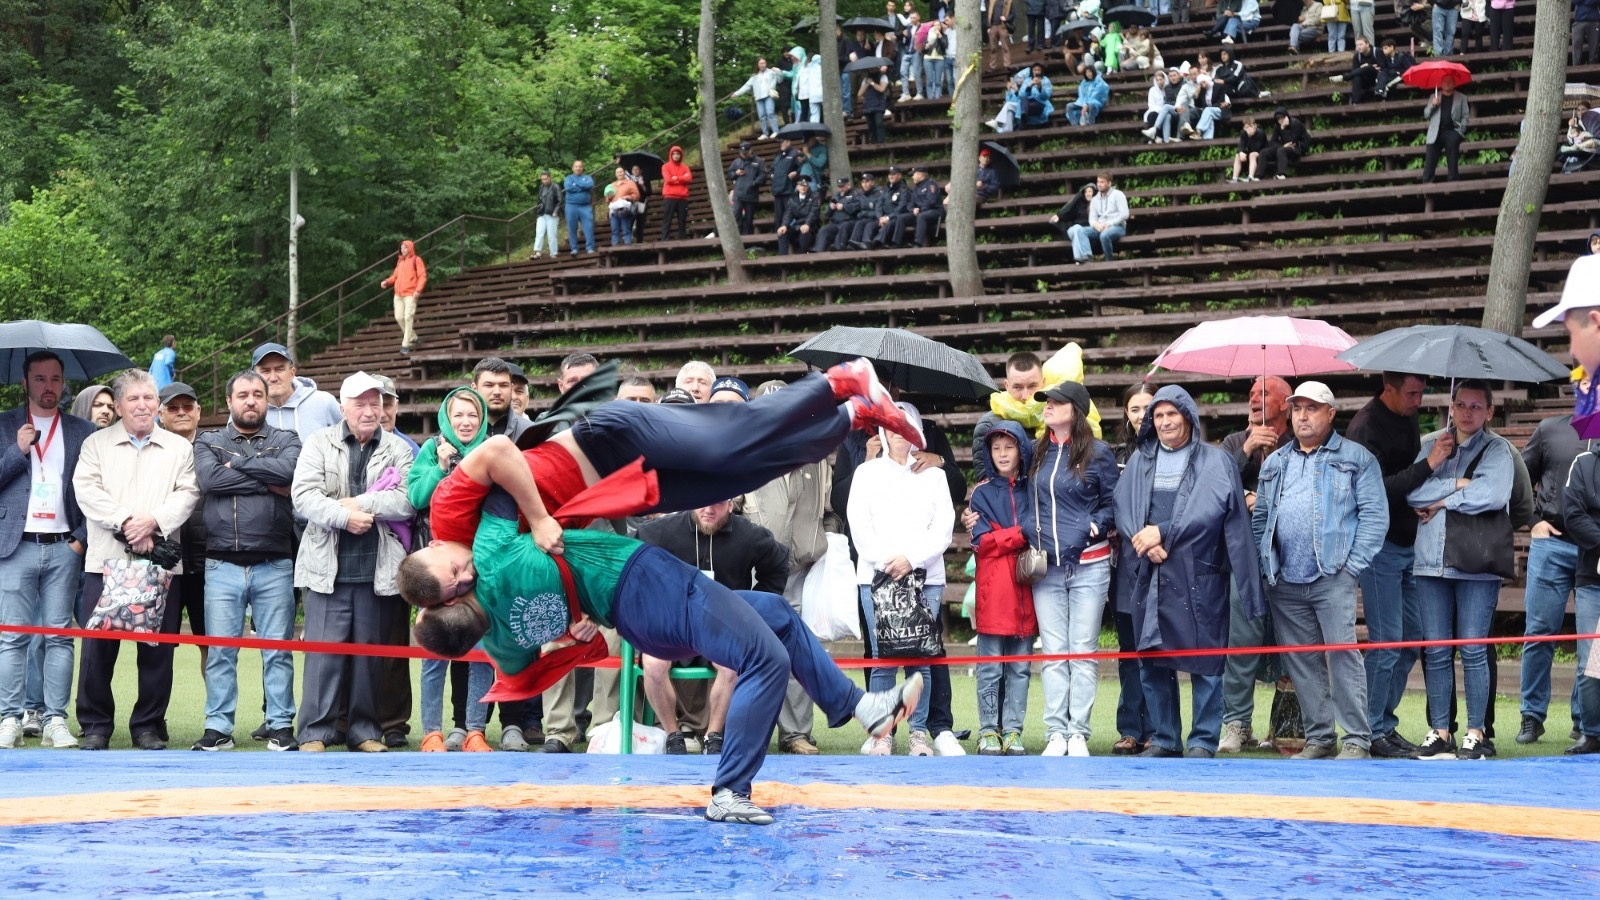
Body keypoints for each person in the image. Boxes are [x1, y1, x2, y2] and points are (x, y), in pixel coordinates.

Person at [405, 435, 922, 825]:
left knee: (777, 615)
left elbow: (529, 663)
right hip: (647, 587)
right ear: (450, 601)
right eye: (453, 577)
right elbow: (500, 470)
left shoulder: (501, 643)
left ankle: (861, 708)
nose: (461, 568)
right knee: (765, 659)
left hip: (642, 616)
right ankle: (730, 791)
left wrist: (568, 632)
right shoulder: (493, 564)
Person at [1114, 385, 1264, 759]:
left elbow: (1210, 509)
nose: (1164, 422)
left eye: (1171, 414)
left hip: (1199, 573)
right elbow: (1124, 507)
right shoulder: (1140, 460)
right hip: (1152, 571)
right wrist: (1145, 541)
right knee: (1151, 659)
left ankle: (1202, 739)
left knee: (1206, 661)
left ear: (1188, 417)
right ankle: (1165, 738)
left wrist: (1162, 532)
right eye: (1158, 416)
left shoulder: (1215, 461)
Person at [1251, 382, 1386, 760]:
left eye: (1313, 408)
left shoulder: (1357, 458)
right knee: (1301, 659)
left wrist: (1351, 567)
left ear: (1331, 414)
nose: (1303, 416)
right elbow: (1261, 518)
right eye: (1297, 409)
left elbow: (1375, 517)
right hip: (1285, 579)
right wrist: (1266, 565)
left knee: (1342, 654)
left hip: (1333, 575)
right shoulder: (1275, 461)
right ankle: (1320, 738)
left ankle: (1357, 738)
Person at [72, 369, 201, 750]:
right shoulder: (96, 444)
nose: (143, 405)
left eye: (149, 398)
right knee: (98, 648)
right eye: (134, 398)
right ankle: (95, 724)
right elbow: (87, 490)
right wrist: (127, 521)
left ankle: (147, 724)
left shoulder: (179, 447)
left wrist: (154, 522)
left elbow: (188, 493)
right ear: (118, 404)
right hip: (106, 561)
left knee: (158, 649)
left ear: (157, 405)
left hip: (159, 563)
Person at [292, 373, 416, 753]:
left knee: (369, 653)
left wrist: (361, 505)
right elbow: (303, 496)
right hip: (326, 565)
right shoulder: (318, 442)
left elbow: (408, 499)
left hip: (378, 566)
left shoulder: (399, 448)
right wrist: (343, 516)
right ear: (342, 407)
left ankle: (364, 731)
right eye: (359, 404)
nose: (368, 411)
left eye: (374, 403)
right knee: (323, 655)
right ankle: (315, 731)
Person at [190, 370, 302, 752]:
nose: (251, 400)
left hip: (275, 562)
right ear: (229, 401)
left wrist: (235, 466)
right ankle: (218, 727)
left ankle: (280, 724)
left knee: (278, 650)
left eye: (258, 394)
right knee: (221, 651)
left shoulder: (287, 439)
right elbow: (209, 481)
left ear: (267, 400)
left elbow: (288, 472)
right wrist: (263, 479)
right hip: (222, 563)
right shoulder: (209, 440)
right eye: (243, 394)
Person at [1345, 371, 1452, 759]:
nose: (1418, 401)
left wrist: (1419, 496)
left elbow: (1401, 484)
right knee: (1387, 641)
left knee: (1410, 639)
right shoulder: (1365, 427)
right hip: (1379, 547)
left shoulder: (1405, 417)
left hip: (1407, 540)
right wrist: (1431, 464)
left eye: (1422, 393)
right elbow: (1375, 489)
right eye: (1412, 393)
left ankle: (1383, 723)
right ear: (1388, 389)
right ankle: (1370, 730)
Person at [1407, 380, 1514, 760]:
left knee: (1472, 648)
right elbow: (1412, 492)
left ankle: (1476, 732)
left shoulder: (1498, 450)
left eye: (1476, 406)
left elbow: (1493, 494)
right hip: (1429, 561)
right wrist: (1453, 483)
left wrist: (1440, 501)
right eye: (1461, 404)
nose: (1467, 412)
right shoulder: (1431, 444)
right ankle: (1440, 731)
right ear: (1450, 406)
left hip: (1475, 563)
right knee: (1436, 650)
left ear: (1489, 411)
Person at [637, 498, 789, 755]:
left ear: (731, 505)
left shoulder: (749, 535)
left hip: (721, 627)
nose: (708, 509)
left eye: (718, 504)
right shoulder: (659, 532)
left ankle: (714, 736)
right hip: (673, 627)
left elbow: (778, 563)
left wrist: (753, 608)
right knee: (653, 665)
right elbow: (631, 566)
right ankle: (673, 735)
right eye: (702, 502)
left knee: (732, 667)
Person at [848, 403, 955, 757]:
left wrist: (912, 559)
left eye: (906, 426)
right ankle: (882, 732)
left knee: (919, 656)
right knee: (883, 657)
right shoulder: (866, 473)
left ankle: (919, 733)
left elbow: (942, 527)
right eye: (892, 426)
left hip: (926, 576)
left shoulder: (934, 475)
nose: (898, 433)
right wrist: (885, 561)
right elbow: (858, 524)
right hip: (876, 577)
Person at [0, 351, 93, 751]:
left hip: (63, 546)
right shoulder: (4, 425)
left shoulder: (82, 430)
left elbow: (98, 491)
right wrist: (16, 451)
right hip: (15, 544)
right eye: (40, 379)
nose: (48, 386)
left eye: (55, 379)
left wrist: (81, 538)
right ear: (25, 382)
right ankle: (10, 717)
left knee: (59, 637)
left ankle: (56, 719)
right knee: (12, 638)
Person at [1026, 382, 1117, 757]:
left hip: (1090, 566)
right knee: (1053, 652)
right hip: (1046, 568)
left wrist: (1092, 527)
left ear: (1075, 410)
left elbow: (1114, 504)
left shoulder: (1100, 453)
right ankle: (1055, 732)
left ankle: (1077, 731)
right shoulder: (1037, 451)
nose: (1047, 406)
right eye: (1046, 402)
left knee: (1081, 651)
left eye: (1056, 402)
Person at [741, 380, 832, 755]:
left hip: (802, 570)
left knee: (798, 651)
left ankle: (795, 733)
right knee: (752, 651)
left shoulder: (817, 456)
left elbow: (829, 512)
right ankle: (750, 731)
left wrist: (825, 539)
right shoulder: (745, 454)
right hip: (753, 570)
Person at [1216, 375, 1293, 753]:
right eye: (1251, 394)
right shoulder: (1234, 441)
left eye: (1264, 394)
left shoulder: (1299, 440)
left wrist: (1258, 500)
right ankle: (1236, 725)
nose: (1255, 400)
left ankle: (1286, 730)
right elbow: (1215, 483)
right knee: (1242, 642)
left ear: (1285, 403)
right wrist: (1248, 447)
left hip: (1294, 558)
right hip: (1244, 558)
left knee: (1293, 645)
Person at [965, 422, 1036, 756]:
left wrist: (1004, 535)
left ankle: (1013, 730)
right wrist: (1017, 535)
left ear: (1021, 449)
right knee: (991, 665)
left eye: (1009, 447)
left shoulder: (1033, 490)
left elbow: (1038, 531)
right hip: (994, 591)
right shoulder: (981, 493)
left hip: (1026, 591)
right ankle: (988, 729)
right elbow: (981, 541)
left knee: (1020, 666)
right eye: (996, 448)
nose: (1003, 454)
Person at [1516, 405, 1585, 746]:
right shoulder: (1549, 429)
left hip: (1596, 549)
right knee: (1539, 632)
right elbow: (1519, 478)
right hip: (1552, 543)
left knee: (1594, 640)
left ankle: (1585, 719)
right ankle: (1531, 716)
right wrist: (1532, 521)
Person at [1110, 383, 1156, 755]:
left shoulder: (1174, 454)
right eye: (1135, 408)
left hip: (1161, 563)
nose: (1142, 415)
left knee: (1156, 649)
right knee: (1129, 650)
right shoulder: (1115, 457)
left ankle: (1158, 728)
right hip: (1125, 566)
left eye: (1148, 407)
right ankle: (1130, 728)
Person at [252, 342, 343, 442]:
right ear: (255, 378)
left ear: (292, 373)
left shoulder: (324, 403)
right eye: (265, 371)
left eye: (279, 369)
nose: (273, 378)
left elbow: (353, 439)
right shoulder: (247, 411)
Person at [381, 240, 427, 354]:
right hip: (398, 294)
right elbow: (395, 276)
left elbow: (422, 276)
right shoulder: (400, 262)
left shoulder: (416, 260)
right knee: (399, 317)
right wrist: (387, 282)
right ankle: (413, 337)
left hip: (410, 294)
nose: (403, 250)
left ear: (410, 248)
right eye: (401, 248)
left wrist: (418, 290)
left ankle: (405, 344)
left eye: (405, 248)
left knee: (408, 317)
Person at [1421, 76, 1469, 183]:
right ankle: (1427, 182)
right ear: (1441, 84)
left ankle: (1453, 180)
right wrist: (1433, 105)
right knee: (1430, 158)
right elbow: (1426, 115)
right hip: (1436, 132)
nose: (1447, 84)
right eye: (1445, 82)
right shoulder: (1434, 96)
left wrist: (1461, 130)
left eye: (1450, 81)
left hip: (1452, 130)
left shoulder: (1462, 97)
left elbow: (1465, 117)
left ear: (1454, 83)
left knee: (1452, 149)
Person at [1071, 171, 1127, 263]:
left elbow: (1124, 214)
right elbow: (1092, 218)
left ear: (1109, 183)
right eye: (1098, 182)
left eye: (1102, 182)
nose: (1099, 185)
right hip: (1100, 227)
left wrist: (1110, 224)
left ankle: (1109, 261)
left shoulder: (1118, 195)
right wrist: (1095, 224)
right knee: (1080, 230)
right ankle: (1087, 255)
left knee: (1104, 235)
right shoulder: (1095, 199)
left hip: (1117, 227)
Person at [732, 58, 783, 139]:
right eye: (761, 63)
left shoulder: (771, 72)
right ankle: (765, 133)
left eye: (764, 63)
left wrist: (778, 71)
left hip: (768, 95)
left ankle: (776, 131)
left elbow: (780, 80)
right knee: (762, 116)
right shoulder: (754, 76)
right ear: (758, 65)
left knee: (770, 113)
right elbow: (747, 86)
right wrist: (737, 93)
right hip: (759, 97)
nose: (763, 65)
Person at [727, 142, 766, 237]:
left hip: (751, 194)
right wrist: (736, 173)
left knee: (749, 219)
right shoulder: (736, 162)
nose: (743, 155)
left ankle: (747, 239)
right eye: (742, 153)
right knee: (736, 215)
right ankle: (737, 237)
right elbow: (730, 175)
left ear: (750, 150)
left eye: (745, 153)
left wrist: (753, 183)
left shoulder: (759, 161)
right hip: (738, 194)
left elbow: (763, 176)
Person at [777, 176, 820, 255]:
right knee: (782, 232)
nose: (803, 187)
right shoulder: (793, 198)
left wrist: (807, 224)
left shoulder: (815, 196)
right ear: (797, 186)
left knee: (805, 232)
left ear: (808, 186)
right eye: (801, 185)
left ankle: (802, 257)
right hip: (797, 226)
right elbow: (788, 214)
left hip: (811, 227)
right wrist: (784, 225)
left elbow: (813, 212)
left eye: (805, 185)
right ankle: (782, 260)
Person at [1265, 107, 1311, 180]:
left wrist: (1283, 128)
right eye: (1278, 119)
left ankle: (1281, 174)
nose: (1280, 121)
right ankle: (1258, 176)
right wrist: (1282, 145)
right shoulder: (1277, 125)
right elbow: (1273, 141)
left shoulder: (1295, 123)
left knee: (1281, 150)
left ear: (1286, 117)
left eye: (1282, 118)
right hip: (1286, 146)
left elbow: (1291, 140)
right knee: (1265, 152)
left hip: (1299, 146)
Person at [658, 147, 692, 242]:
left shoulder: (685, 167)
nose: (676, 156)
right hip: (670, 197)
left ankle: (683, 241)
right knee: (667, 220)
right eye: (674, 154)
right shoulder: (665, 166)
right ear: (671, 155)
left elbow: (689, 178)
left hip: (683, 198)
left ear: (681, 155)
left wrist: (675, 178)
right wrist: (682, 178)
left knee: (682, 221)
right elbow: (668, 179)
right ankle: (665, 240)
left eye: (678, 154)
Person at [1050, 181, 1096, 250]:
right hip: (1077, 228)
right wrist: (1059, 216)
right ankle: (1083, 257)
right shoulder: (1080, 204)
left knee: (1078, 232)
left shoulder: (1098, 203)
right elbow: (1069, 211)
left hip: (1090, 230)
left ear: (1094, 193)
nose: (1087, 194)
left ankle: (1082, 258)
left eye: (1090, 191)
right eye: (1086, 192)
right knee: (1075, 229)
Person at [907, 166, 946, 248]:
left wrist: (920, 209)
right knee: (902, 218)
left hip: (936, 211)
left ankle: (917, 243)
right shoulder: (916, 188)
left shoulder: (931, 185)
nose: (912, 177)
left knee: (921, 216)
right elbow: (911, 203)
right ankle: (895, 243)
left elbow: (931, 201)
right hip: (922, 212)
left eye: (913, 174)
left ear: (920, 175)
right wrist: (913, 209)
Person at [564, 160, 597, 255]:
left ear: (582, 168)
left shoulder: (587, 177)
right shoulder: (569, 178)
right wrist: (583, 187)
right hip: (571, 206)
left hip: (585, 206)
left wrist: (577, 184)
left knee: (589, 227)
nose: (578, 168)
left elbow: (590, 185)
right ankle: (574, 248)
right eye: (576, 166)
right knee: (572, 227)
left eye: (580, 166)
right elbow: (569, 187)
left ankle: (590, 247)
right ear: (573, 168)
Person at [770, 138, 802, 233]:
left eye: (782, 142)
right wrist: (772, 174)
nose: (781, 145)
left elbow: (801, 167)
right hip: (777, 188)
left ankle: (789, 231)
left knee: (789, 211)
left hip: (788, 188)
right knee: (778, 213)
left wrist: (796, 172)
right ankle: (778, 231)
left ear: (788, 142)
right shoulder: (778, 154)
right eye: (780, 143)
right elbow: (773, 167)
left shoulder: (794, 153)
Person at [1343, 37, 1384, 105]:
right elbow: (1355, 71)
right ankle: (1355, 102)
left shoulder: (1377, 51)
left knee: (1368, 68)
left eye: (1361, 44)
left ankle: (1346, 76)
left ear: (1367, 44)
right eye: (1357, 45)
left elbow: (1381, 67)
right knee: (1357, 76)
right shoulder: (1357, 56)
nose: (1358, 47)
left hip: (1377, 78)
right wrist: (1365, 68)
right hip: (1364, 80)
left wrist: (1368, 66)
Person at [532, 169, 562, 259]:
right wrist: (538, 210)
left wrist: (556, 211)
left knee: (551, 234)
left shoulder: (555, 187)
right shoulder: (541, 187)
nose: (544, 181)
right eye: (543, 179)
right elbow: (540, 200)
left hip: (552, 213)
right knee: (539, 233)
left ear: (550, 178)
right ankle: (538, 252)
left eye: (546, 179)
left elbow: (560, 200)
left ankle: (553, 252)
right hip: (542, 213)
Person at [606, 167, 639, 247]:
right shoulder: (612, 185)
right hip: (614, 210)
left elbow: (637, 195)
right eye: (618, 172)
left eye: (621, 172)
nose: (619, 173)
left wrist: (628, 197)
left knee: (626, 230)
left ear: (624, 173)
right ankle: (614, 248)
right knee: (614, 231)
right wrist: (608, 197)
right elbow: (607, 200)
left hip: (625, 210)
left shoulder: (630, 183)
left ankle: (628, 249)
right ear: (615, 174)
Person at [860, 65, 892, 144]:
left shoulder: (883, 76)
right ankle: (873, 141)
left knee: (879, 123)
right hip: (868, 105)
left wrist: (872, 83)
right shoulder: (866, 79)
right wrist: (867, 84)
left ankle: (881, 141)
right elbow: (860, 93)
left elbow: (882, 89)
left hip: (879, 104)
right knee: (871, 125)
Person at [1230, 117, 1269, 182]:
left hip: (1261, 153)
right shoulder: (1243, 133)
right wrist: (1241, 152)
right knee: (1238, 155)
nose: (1249, 129)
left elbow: (1256, 148)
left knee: (1252, 154)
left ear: (1255, 126)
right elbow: (1241, 145)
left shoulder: (1260, 133)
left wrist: (1250, 136)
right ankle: (1234, 178)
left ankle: (1250, 176)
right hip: (1250, 152)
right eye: (1247, 127)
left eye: (1251, 126)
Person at [987, 0, 1015, 70]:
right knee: (993, 48)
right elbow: (989, 13)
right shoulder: (992, 1)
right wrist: (988, 26)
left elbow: (1013, 14)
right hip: (993, 26)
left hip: (1003, 26)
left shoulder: (1009, 2)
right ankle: (992, 66)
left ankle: (1007, 65)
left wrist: (1006, 19)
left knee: (1005, 47)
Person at [1576, 0, 1600, 66]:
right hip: (1579, 19)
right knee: (1576, 44)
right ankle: (1576, 65)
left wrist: (1583, 2)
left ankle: (1593, 65)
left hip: (1594, 19)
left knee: (1594, 46)